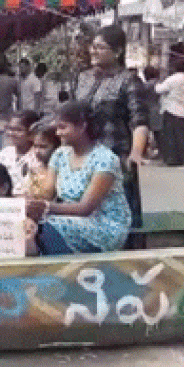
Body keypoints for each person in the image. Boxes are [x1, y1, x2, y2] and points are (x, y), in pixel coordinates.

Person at [26, 102, 131, 255]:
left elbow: (85, 208)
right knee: (26, 226)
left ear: (82, 126)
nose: (58, 133)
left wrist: (46, 208)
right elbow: (46, 194)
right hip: (67, 218)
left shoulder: (104, 159)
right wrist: (32, 207)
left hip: (104, 225)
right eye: (57, 128)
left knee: (46, 228)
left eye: (63, 127)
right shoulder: (60, 155)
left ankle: (55, 267)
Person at [75, 24, 149, 239]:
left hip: (115, 159)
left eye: (100, 47)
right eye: (93, 46)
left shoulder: (129, 80)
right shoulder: (83, 78)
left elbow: (140, 121)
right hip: (84, 159)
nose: (93, 51)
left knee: (121, 217)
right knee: (86, 214)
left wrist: (136, 153)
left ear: (117, 52)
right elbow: (72, 114)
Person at [155, 58, 184, 167]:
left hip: (171, 110)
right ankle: (180, 158)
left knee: (170, 136)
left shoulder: (172, 79)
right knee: (180, 137)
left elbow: (159, 90)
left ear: (174, 68)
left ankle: (171, 158)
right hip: (183, 110)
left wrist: (158, 82)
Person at [0, 110, 42, 197]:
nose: (11, 133)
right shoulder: (5, 153)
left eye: (18, 130)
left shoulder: (38, 155)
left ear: (32, 133)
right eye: (10, 129)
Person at [26, 123, 61, 201]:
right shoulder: (33, 165)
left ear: (56, 147)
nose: (37, 151)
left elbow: (46, 197)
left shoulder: (60, 169)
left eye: (43, 147)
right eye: (35, 146)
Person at [142, 66, 162, 161]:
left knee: (146, 132)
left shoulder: (146, 85)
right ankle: (161, 151)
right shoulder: (158, 83)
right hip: (158, 108)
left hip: (148, 109)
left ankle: (145, 151)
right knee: (158, 133)